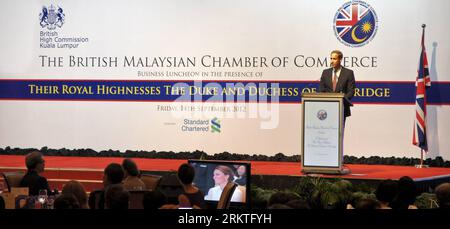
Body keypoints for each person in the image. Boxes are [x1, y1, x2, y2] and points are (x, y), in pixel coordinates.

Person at [319, 50, 356, 122]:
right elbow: (321, 89)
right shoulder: (325, 72)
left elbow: (351, 91)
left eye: (334, 59)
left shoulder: (348, 73)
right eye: (331, 58)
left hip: (341, 108)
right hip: (326, 108)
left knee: (339, 132)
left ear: (340, 59)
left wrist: (341, 100)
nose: (332, 61)